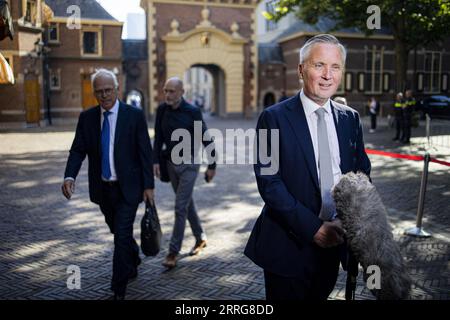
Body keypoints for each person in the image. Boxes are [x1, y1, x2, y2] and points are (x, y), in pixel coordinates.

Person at [244, 34, 371, 300]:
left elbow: (361, 175)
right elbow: (270, 184)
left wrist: (344, 219)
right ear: (301, 69)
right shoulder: (273, 118)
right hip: (287, 247)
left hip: (334, 244)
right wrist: (313, 228)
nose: (328, 75)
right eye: (319, 65)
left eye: (335, 67)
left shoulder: (351, 119)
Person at [61, 69, 155, 300]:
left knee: (121, 235)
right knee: (117, 232)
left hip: (129, 189)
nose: (104, 95)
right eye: (99, 92)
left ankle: (118, 289)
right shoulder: (87, 118)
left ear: (117, 89)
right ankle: (132, 257)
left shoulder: (134, 115)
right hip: (103, 190)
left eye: (108, 90)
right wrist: (69, 176)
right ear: (94, 93)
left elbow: (145, 153)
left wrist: (148, 186)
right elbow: (77, 150)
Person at [153, 77, 216, 269]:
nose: (168, 95)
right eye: (166, 91)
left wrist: (212, 165)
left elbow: (206, 138)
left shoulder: (192, 112)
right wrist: (155, 160)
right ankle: (200, 237)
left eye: (172, 91)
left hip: (189, 164)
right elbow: (158, 138)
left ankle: (173, 251)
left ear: (182, 92)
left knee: (180, 206)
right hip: (171, 164)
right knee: (186, 203)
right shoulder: (162, 110)